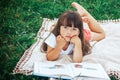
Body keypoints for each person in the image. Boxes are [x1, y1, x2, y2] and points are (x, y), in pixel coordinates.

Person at [41, 2, 105, 63]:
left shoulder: (80, 37)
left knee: (102, 35)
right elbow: (49, 58)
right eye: (66, 28)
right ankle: (77, 18)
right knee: (52, 28)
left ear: (79, 31)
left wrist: (78, 44)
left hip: (78, 34)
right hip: (59, 30)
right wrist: (59, 46)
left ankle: (84, 13)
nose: (69, 32)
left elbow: (77, 61)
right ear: (59, 28)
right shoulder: (54, 37)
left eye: (74, 29)